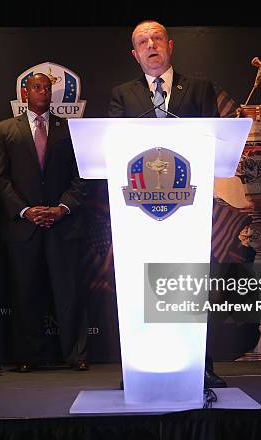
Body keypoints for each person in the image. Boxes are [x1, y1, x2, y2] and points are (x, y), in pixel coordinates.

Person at [108, 20, 226, 389]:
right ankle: (140, 367)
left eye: (156, 38)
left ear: (170, 45)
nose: (150, 45)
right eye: (142, 42)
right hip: (140, 212)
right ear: (134, 54)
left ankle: (201, 365)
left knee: (190, 284)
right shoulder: (122, 95)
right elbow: (113, 146)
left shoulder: (200, 89)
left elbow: (214, 140)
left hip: (187, 209)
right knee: (142, 287)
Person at [0, 73, 87, 372]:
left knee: (69, 293)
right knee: (25, 293)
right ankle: (28, 356)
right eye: (37, 87)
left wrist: (62, 207)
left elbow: (81, 176)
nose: (43, 91)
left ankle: (76, 355)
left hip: (63, 225)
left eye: (47, 88)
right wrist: (25, 211)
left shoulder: (70, 130)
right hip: (23, 227)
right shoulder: (4, 129)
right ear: (25, 92)